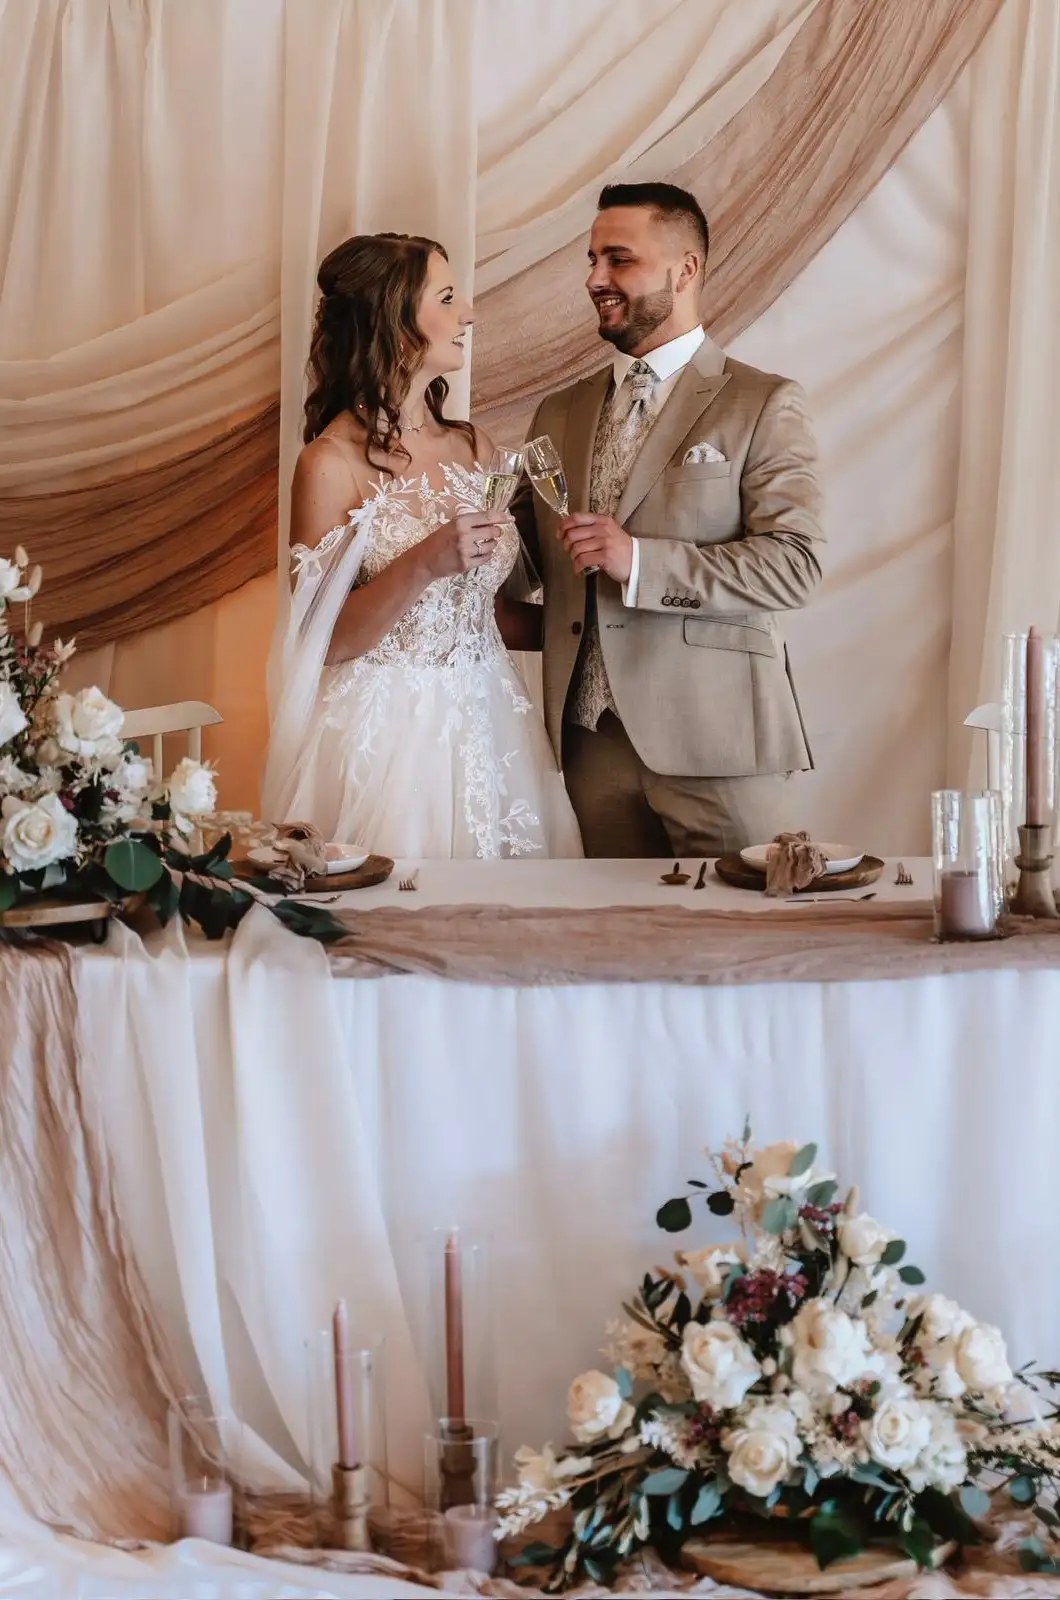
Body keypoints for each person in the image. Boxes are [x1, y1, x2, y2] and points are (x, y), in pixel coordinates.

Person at [512, 182, 825, 858]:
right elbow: (521, 563)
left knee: (744, 923)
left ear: (686, 270)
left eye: (619, 259)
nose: (595, 279)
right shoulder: (556, 413)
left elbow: (796, 565)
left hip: (721, 742)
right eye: (592, 259)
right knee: (620, 928)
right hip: (592, 746)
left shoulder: (762, 403)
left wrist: (642, 562)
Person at [262, 232, 582, 860]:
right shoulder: (329, 463)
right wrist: (424, 562)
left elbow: (482, 611)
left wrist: (590, 627)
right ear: (395, 319)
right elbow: (326, 640)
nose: (470, 314)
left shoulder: (475, 448)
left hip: (495, 722)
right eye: (448, 298)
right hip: (390, 738)